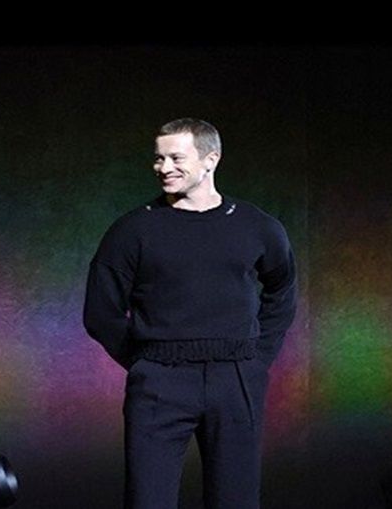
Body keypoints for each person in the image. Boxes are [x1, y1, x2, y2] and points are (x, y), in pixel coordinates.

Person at [84, 117, 297, 509]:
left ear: (210, 159)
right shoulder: (133, 230)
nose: (163, 167)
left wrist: (256, 357)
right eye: (158, 158)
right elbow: (100, 312)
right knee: (148, 500)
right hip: (159, 382)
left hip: (236, 380)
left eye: (175, 158)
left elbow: (282, 289)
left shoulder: (257, 226)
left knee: (236, 500)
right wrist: (147, 361)